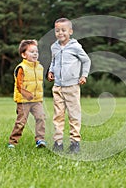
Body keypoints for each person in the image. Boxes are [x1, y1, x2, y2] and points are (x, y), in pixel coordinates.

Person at [47, 18, 91, 153]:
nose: (60, 33)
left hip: (72, 86)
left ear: (70, 31)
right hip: (58, 86)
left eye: (63, 30)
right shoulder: (54, 47)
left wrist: (84, 75)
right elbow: (53, 61)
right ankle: (58, 142)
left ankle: (75, 143)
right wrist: (51, 70)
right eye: (57, 30)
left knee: (74, 115)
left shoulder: (75, 47)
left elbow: (86, 60)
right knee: (58, 115)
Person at [8, 39, 46, 149]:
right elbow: (19, 86)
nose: (35, 54)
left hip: (36, 100)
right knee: (21, 122)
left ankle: (40, 140)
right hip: (24, 101)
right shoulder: (21, 68)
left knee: (41, 118)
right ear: (24, 55)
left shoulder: (40, 67)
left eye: (36, 51)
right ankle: (12, 142)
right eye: (32, 52)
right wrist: (27, 94)